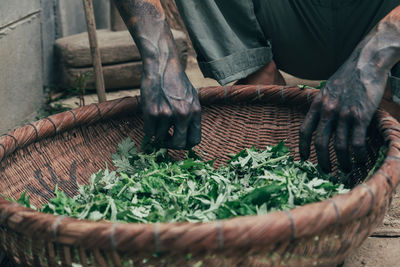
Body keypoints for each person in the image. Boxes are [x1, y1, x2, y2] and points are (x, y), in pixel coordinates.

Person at [113, 0, 400, 173]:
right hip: (285, 24)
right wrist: (160, 58)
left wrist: (374, 59)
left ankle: (388, 94)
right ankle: (257, 74)